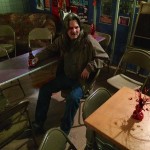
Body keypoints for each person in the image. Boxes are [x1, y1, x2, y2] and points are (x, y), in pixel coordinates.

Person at [32, 13, 109, 135]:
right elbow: (50, 49)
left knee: (73, 98)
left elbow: (104, 57)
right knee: (45, 89)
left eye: (76, 27)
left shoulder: (88, 40)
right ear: (65, 30)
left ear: (80, 27)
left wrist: (90, 67)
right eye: (70, 28)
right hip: (67, 76)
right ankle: (38, 123)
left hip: (81, 81)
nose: (74, 31)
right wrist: (37, 57)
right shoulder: (63, 40)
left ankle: (64, 131)